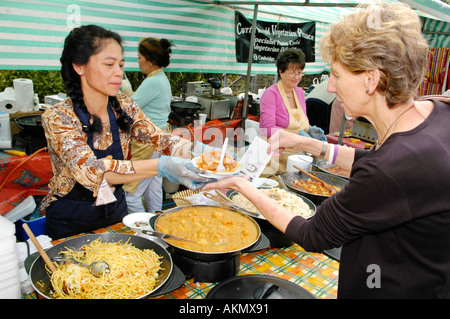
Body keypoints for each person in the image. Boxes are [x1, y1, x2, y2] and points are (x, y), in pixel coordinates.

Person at [203, 3, 450, 298]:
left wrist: (244, 187)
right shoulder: (436, 112)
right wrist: (312, 145)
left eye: (336, 74)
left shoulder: (392, 167)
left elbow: (311, 233)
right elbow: (378, 163)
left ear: (371, 79)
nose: (330, 86)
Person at [40, 25, 211, 239]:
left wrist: (204, 154)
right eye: (109, 64)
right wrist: (161, 166)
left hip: (114, 214)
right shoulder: (58, 117)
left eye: (121, 64)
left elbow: (160, 138)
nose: (119, 72)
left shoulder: (124, 106)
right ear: (79, 66)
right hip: (71, 223)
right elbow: (93, 171)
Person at [123, 37, 174, 214]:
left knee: (132, 193)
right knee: (153, 185)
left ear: (150, 60)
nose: (138, 62)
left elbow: (127, 108)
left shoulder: (153, 81)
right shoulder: (160, 78)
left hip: (148, 142)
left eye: (139, 57)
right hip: (158, 140)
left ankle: (141, 232)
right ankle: (155, 224)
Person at [259, 48, 326, 174]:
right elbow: (268, 129)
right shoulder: (271, 94)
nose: (296, 77)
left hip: (295, 157)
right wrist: (297, 137)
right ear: (281, 72)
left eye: (300, 73)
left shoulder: (300, 93)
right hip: (272, 157)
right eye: (292, 73)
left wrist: (311, 130)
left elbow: (302, 122)